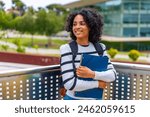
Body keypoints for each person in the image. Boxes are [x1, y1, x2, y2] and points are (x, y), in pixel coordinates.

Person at [60, 8, 116, 100]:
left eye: (82, 23)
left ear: (90, 26)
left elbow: (112, 75)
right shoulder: (67, 49)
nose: (77, 27)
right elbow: (70, 84)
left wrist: (92, 74)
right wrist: (97, 84)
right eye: (74, 24)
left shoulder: (100, 48)